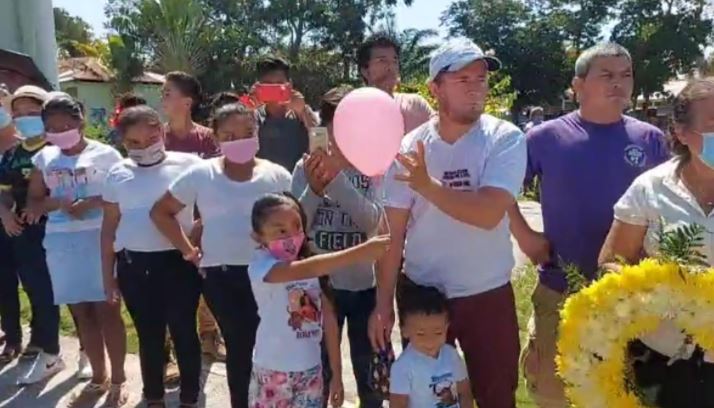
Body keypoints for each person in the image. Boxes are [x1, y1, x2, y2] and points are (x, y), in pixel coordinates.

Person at [508, 43, 669, 408]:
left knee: (622, 393)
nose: (619, 84)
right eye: (607, 75)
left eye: (626, 75)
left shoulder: (650, 139)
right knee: (553, 392)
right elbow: (501, 190)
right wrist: (525, 234)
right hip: (561, 286)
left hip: (630, 292)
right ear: (577, 86)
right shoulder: (544, 138)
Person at [371, 38, 526, 408]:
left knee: (495, 395)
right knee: (426, 397)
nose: (476, 87)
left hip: (485, 292)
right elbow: (391, 234)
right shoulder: (410, 147)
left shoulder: (505, 138)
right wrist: (382, 305)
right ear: (434, 88)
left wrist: (427, 185)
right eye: (463, 79)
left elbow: (489, 214)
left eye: (481, 78)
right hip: (424, 295)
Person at [151, 102, 292, 408]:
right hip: (223, 277)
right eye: (229, 135)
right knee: (241, 346)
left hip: (271, 273)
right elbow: (162, 212)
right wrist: (188, 250)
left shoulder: (277, 175)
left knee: (272, 345)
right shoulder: (201, 174)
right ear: (216, 138)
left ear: (258, 134)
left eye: (247, 132)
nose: (239, 140)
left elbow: (295, 222)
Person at [598, 78, 714, 408]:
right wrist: (651, 288)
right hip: (665, 360)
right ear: (680, 132)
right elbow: (611, 262)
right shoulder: (650, 189)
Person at [22, 95, 128, 404]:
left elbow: (122, 193)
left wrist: (93, 203)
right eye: (52, 128)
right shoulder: (44, 159)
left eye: (66, 125)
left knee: (108, 310)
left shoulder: (106, 155)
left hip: (99, 239)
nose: (60, 132)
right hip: (61, 243)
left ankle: (119, 380)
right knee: (82, 314)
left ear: (80, 122)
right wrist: (57, 203)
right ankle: (98, 376)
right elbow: (34, 202)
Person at [101, 105, 203, 408]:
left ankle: (189, 398)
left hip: (179, 263)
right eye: (134, 143)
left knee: (185, 331)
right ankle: (154, 397)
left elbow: (209, 210)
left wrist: (193, 242)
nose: (144, 147)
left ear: (161, 130)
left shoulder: (189, 164)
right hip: (134, 265)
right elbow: (109, 228)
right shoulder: (117, 173)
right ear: (123, 142)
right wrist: (108, 278)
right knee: (149, 335)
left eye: (150, 137)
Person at [247, 192, 389, 407]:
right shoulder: (262, 267)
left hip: (311, 371)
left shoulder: (310, 268)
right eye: (281, 230)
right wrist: (362, 252)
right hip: (273, 371)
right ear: (258, 236)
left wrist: (336, 375)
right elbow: (305, 269)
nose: (291, 235)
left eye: (297, 227)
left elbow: (329, 323)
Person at [291, 84, 384, 407]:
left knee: (369, 374)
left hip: (362, 287)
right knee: (317, 374)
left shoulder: (372, 168)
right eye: (335, 125)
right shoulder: (304, 168)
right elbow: (292, 230)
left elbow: (373, 223)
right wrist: (314, 190)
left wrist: (337, 181)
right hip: (315, 290)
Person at [0, 85, 62, 383]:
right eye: (19, 113)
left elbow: (68, 193)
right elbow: (4, 191)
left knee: (62, 293)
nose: (25, 119)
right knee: (37, 293)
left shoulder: (57, 151)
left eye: (33, 113)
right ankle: (47, 351)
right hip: (22, 234)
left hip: (57, 232)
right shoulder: (13, 154)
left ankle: (79, 354)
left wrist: (43, 207)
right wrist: (6, 214)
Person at [161, 71, 224, 363]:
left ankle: (209, 338)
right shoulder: (155, 139)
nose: (162, 98)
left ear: (187, 102)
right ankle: (172, 349)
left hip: (204, 223)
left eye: (167, 93)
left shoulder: (208, 140)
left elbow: (216, 182)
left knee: (206, 283)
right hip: (166, 226)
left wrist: (202, 223)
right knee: (173, 291)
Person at [389, 282, 473, 408]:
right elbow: (398, 404)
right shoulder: (402, 367)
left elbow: (464, 392)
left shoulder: (451, 355)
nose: (430, 340)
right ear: (404, 330)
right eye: (421, 334)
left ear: (447, 327)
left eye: (438, 332)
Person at [357, 33, 434, 134]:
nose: (391, 67)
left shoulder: (416, 105)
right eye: (382, 60)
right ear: (365, 71)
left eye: (394, 61)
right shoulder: (355, 111)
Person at [253, 56, 318, 171]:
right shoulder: (252, 115)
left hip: (299, 184)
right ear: (259, 87)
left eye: (279, 84)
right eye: (268, 85)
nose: (274, 89)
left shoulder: (304, 113)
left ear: (290, 85)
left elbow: (321, 146)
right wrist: (247, 107)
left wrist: (303, 113)